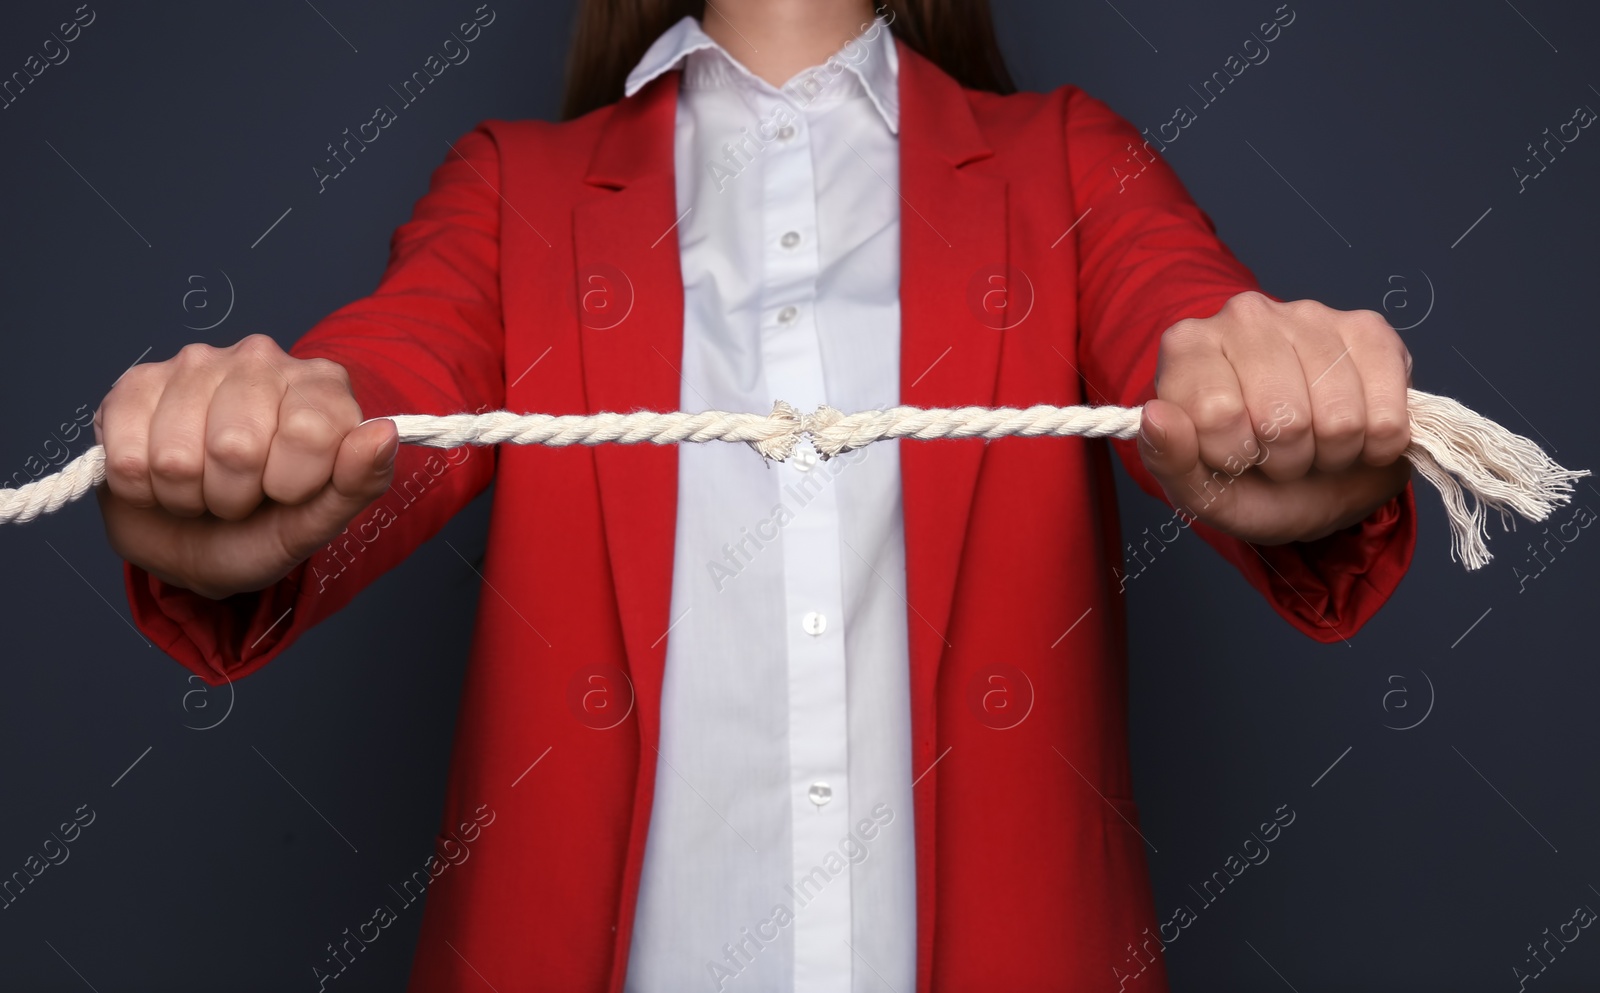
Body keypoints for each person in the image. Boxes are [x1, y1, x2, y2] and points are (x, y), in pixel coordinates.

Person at [93, 0, 1415, 989]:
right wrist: (266, 447)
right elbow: (397, 388)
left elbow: (1192, 334)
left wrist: (1276, 389)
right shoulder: (517, 187)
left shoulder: (1065, 160)